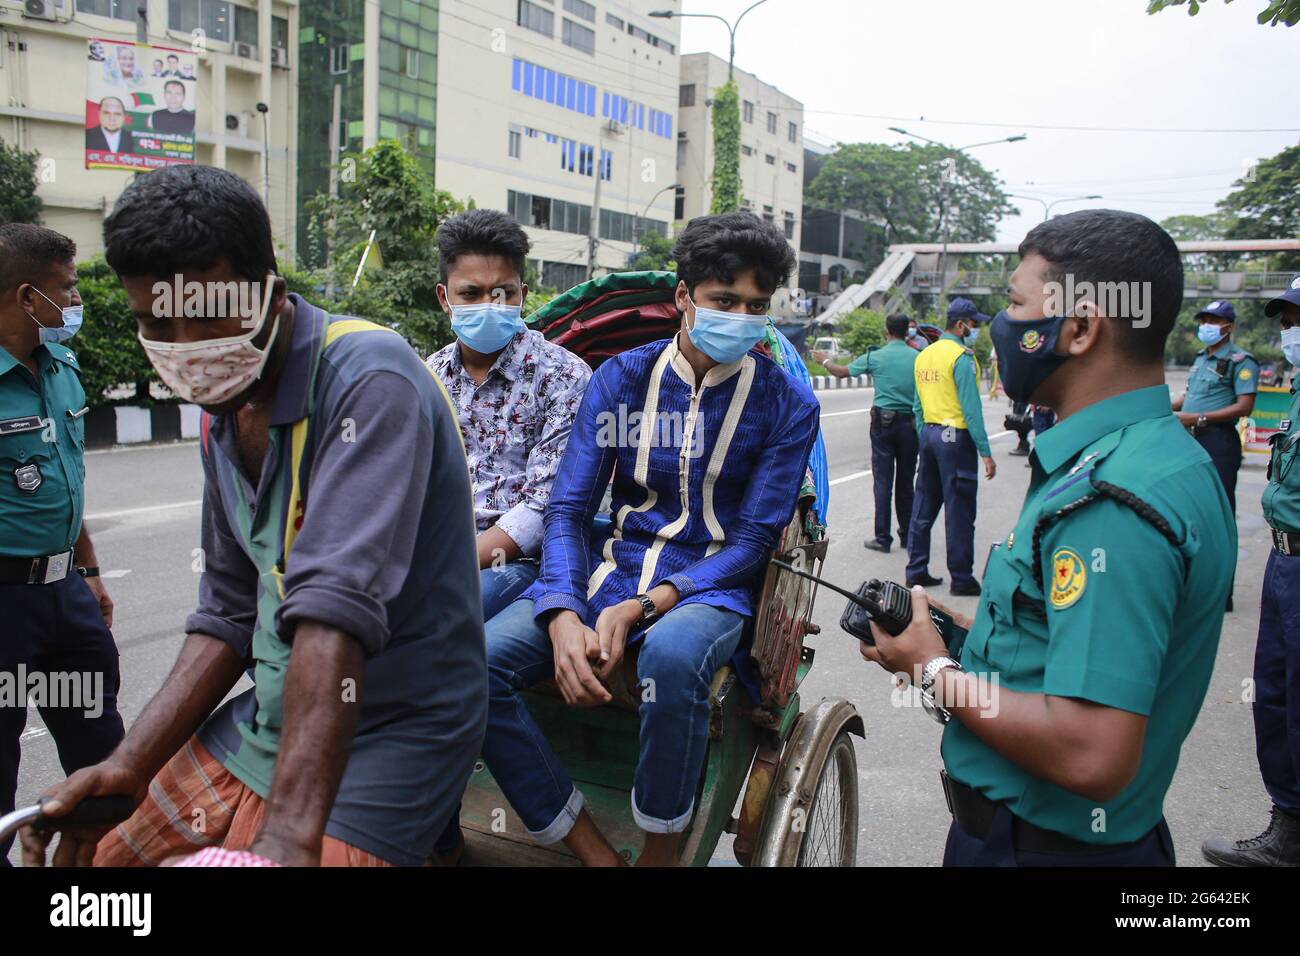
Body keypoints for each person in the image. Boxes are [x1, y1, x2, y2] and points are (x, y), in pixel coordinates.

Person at [20, 166, 486, 868]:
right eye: (155, 322)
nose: (184, 345)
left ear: (268, 292)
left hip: (396, 729)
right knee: (101, 866)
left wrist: (287, 840)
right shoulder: (225, 407)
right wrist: (130, 763)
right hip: (270, 720)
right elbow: (230, 611)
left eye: (206, 313)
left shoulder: (370, 377)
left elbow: (333, 606)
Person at [860, 209, 1234, 866]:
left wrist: (934, 670)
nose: (1004, 326)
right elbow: (1070, 647)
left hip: (1040, 849)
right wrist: (968, 637)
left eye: (1016, 305)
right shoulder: (1155, 457)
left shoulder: (1112, 502)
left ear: (1080, 327)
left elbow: (1089, 750)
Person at [473, 212, 820, 867]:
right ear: (685, 296)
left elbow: (751, 544)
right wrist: (563, 613)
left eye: (756, 306)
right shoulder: (621, 380)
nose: (740, 317)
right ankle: (587, 844)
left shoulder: (787, 404)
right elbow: (571, 513)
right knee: (478, 664)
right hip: (613, 564)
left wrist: (650, 603)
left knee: (671, 659)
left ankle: (663, 852)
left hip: (708, 583)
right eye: (724, 301)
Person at [0, 224, 123, 866]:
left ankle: (100, 891)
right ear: (27, 297)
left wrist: (91, 569)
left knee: (103, 758)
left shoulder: (61, 368)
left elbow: (65, 479)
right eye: (67, 290)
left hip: (65, 594)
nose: (76, 303)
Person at [428, 209, 590, 620]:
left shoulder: (564, 376)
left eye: (502, 293)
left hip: (517, 563)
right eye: (471, 293)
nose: (488, 305)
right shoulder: (426, 377)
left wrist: (442, 563)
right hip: (430, 552)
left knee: (434, 613)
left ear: (523, 294)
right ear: (444, 298)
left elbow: (543, 506)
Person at [1202, 275, 1300, 866]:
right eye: (1288, 323)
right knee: (1276, 695)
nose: (1291, 334)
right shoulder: (1296, 390)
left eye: (1297, 322)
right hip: (1285, 557)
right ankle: (1287, 827)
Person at [906, 297, 995, 596]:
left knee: (923, 505)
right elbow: (971, 410)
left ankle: (916, 570)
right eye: (973, 324)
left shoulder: (924, 356)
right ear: (960, 325)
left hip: (930, 435)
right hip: (955, 439)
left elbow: (917, 406)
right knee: (959, 510)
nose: (975, 329)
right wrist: (985, 451)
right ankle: (961, 578)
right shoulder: (962, 358)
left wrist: (925, 438)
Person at [1172, 300, 1257, 611]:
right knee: (1188, 512)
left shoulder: (1240, 361)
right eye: (1204, 318)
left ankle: (1222, 593)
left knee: (1218, 516)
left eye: (1214, 319)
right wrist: (1166, 404)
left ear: (1228, 327)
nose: (1206, 324)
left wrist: (1198, 418)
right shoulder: (1200, 359)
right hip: (1192, 441)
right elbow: (1190, 397)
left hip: (1218, 441)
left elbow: (1244, 406)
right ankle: (1193, 584)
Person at [814, 314, 919, 552]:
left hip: (884, 424)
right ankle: (908, 536)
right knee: (905, 482)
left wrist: (824, 361)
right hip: (910, 425)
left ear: (887, 331)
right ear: (907, 332)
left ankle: (883, 538)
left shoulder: (876, 356)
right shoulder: (918, 357)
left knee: (883, 482)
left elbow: (841, 372)